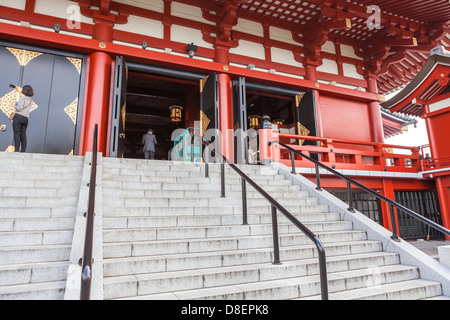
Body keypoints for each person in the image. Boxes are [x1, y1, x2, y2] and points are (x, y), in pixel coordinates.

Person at [12, 85, 34, 153]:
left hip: (18, 117)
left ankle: (16, 150)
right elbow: (24, 97)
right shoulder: (30, 100)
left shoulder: (22, 99)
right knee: (23, 134)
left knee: (17, 133)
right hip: (25, 119)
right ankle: (23, 150)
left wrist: (15, 105)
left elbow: (19, 107)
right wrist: (18, 91)